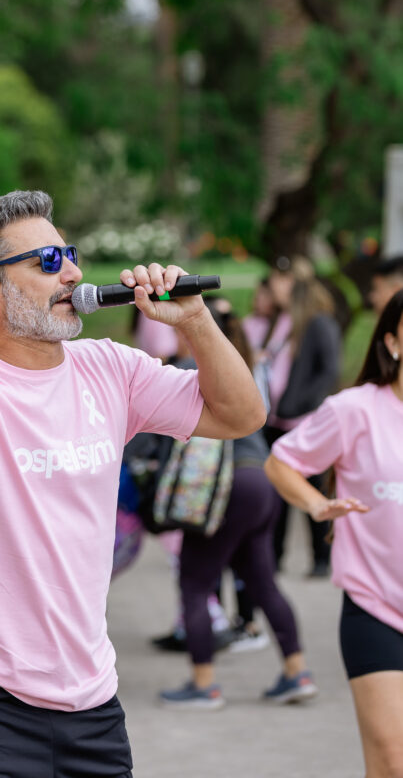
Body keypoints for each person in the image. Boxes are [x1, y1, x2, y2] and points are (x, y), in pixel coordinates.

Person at [0, 158, 265, 778]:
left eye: (71, 255)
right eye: (49, 261)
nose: (74, 273)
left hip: (91, 696)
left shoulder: (110, 367)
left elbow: (241, 414)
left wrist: (195, 320)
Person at [265, 289, 403, 778]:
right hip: (377, 607)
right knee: (391, 762)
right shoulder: (355, 410)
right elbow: (281, 461)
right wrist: (317, 505)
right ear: (392, 343)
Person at [160, 304, 316, 709]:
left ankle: (204, 684)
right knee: (262, 582)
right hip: (261, 481)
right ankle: (297, 672)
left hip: (224, 486)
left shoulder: (188, 366)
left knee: (195, 583)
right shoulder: (239, 364)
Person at [265, 255, 341, 574]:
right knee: (278, 490)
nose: (273, 286)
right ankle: (275, 556)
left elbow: (329, 371)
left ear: (295, 284)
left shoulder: (318, 322)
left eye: (279, 279)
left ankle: (322, 559)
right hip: (276, 419)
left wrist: (301, 403)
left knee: (313, 490)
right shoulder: (281, 320)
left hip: (303, 420)